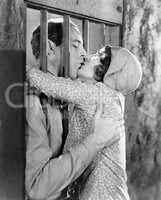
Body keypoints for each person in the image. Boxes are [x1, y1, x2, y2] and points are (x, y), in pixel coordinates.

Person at [28, 45, 142, 200]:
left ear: (110, 74)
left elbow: (54, 85)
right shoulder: (112, 98)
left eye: (98, 57)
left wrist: (26, 70)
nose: (87, 56)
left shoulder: (99, 94)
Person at [26, 19, 120, 200]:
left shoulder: (72, 98)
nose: (85, 54)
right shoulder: (32, 103)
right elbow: (37, 189)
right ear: (50, 48)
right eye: (76, 46)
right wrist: (95, 142)